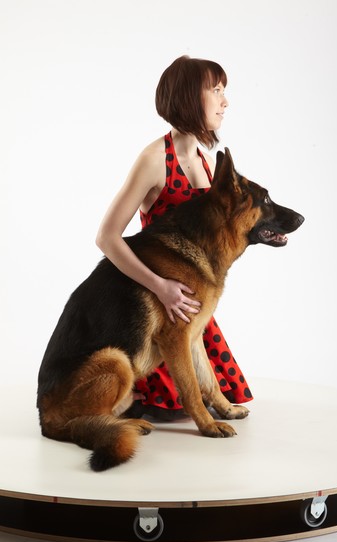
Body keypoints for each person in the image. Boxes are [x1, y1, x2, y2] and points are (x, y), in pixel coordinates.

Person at [96, 55, 253, 419]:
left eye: (224, 91)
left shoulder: (208, 162)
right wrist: (159, 285)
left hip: (192, 300)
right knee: (167, 401)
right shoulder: (154, 159)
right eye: (216, 91)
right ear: (188, 97)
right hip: (156, 300)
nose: (225, 101)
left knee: (219, 392)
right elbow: (107, 237)